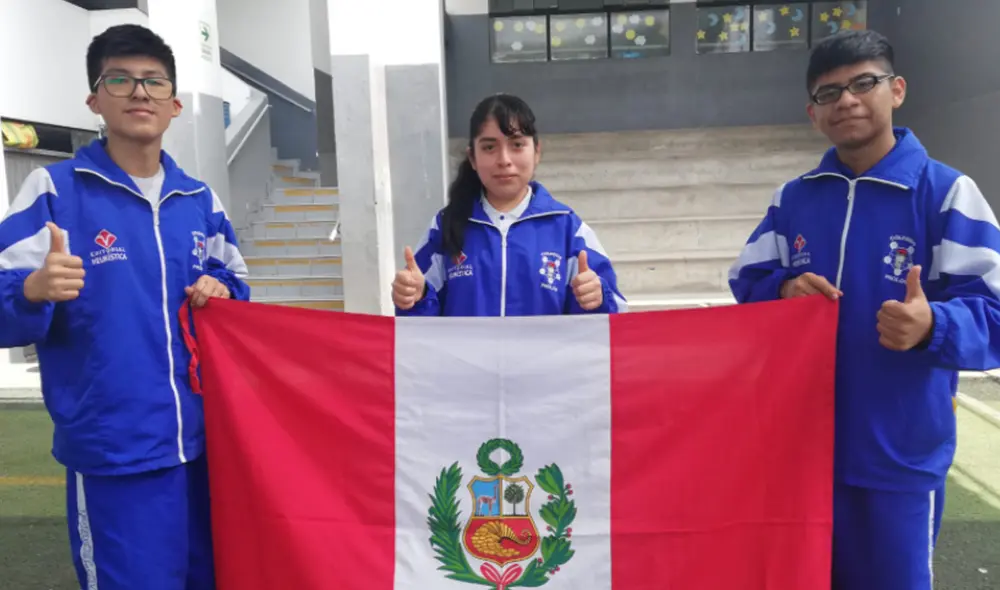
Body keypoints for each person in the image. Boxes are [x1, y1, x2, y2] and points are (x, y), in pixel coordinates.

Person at [728, 29, 1000, 589]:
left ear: (896, 90)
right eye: (830, 93)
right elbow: (745, 279)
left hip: (899, 457)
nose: (847, 100)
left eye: (864, 83)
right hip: (803, 454)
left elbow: (992, 312)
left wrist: (934, 325)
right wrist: (782, 288)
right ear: (813, 113)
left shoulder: (947, 193)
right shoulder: (794, 198)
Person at [0, 24, 250, 589]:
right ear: (94, 99)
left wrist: (222, 289)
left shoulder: (198, 198)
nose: (140, 93)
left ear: (175, 104)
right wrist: (30, 289)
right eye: (121, 79)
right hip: (115, 450)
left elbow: (236, 279)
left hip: (205, 444)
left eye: (154, 82)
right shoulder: (54, 190)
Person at [392, 93, 627, 316]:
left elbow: (614, 313)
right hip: (466, 361)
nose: (504, 160)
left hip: (544, 360)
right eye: (489, 147)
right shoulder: (445, 226)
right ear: (472, 157)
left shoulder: (567, 228)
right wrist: (415, 296)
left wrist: (597, 299)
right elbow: (417, 329)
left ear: (536, 152)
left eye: (516, 145)